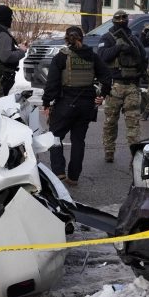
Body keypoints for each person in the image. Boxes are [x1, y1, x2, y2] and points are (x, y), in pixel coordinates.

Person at [42, 26, 111, 185]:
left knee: (55, 137)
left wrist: (46, 102)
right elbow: (107, 77)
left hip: (65, 104)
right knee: (78, 140)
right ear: (82, 38)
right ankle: (73, 177)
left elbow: (52, 83)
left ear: (66, 39)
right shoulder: (92, 56)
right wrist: (102, 95)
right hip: (86, 105)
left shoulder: (61, 57)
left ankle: (59, 171)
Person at [98, 10, 148, 163]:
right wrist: (118, 47)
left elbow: (143, 58)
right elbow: (102, 56)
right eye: (118, 19)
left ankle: (135, 154)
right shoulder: (107, 38)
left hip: (132, 86)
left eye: (124, 19)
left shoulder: (134, 38)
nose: (121, 21)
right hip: (114, 86)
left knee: (133, 123)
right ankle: (109, 151)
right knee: (110, 122)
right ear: (114, 21)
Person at [0, 5, 27, 96]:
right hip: (2, 76)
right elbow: (6, 57)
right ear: (4, 18)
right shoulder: (2, 34)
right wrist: (21, 51)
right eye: (10, 17)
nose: (11, 19)